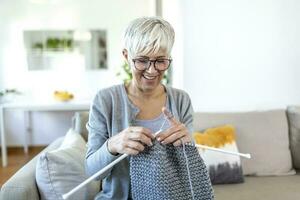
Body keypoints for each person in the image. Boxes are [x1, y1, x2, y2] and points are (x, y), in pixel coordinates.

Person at [86, 16, 194, 200]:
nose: (152, 71)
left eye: (160, 61)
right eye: (142, 60)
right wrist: (112, 145)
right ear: (126, 56)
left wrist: (189, 145)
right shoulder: (105, 100)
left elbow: (190, 173)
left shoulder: (181, 100)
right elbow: (93, 172)